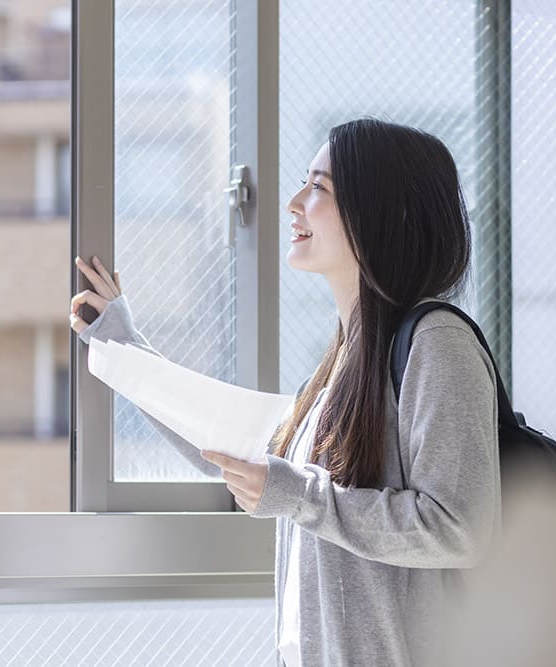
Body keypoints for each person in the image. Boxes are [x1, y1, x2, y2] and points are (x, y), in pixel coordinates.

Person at [69, 117, 501, 666]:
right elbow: (231, 448)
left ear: (382, 213)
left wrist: (301, 496)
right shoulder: (343, 362)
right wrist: (124, 345)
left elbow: (457, 528)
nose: (294, 201)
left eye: (319, 187)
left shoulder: (437, 344)